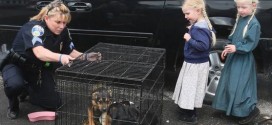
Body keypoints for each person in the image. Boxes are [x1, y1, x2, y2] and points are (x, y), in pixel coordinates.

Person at [1, 0, 101, 119]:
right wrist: (60, 57)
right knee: (14, 85)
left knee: (54, 103)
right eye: (58, 22)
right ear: (47, 18)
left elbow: (70, 51)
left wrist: (85, 56)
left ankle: (27, 89)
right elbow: (39, 53)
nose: (61, 26)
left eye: (64, 22)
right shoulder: (35, 27)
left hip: (37, 69)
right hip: (17, 65)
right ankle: (13, 104)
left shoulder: (63, 31)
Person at [212, 0, 261, 124]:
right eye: (238, 7)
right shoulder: (240, 19)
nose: (240, 10)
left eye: (244, 7)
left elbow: (251, 43)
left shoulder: (254, 23)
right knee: (229, 83)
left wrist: (237, 48)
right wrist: (228, 47)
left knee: (240, 87)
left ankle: (245, 112)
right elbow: (233, 37)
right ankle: (229, 109)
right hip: (234, 58)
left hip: (243, 60)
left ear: (253, 6)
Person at [172, 0, 216, 124]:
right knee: (191, 87)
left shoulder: (199, 28)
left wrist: (190, 38)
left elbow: (203, 45)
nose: (186, 17)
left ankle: (190, 115)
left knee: (190, 88)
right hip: (196, 63)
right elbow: (211, 35)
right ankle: (186, 109)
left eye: (187, 13)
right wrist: (193, 29)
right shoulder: (203, 24)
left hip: (195, 64)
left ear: (198, 11)